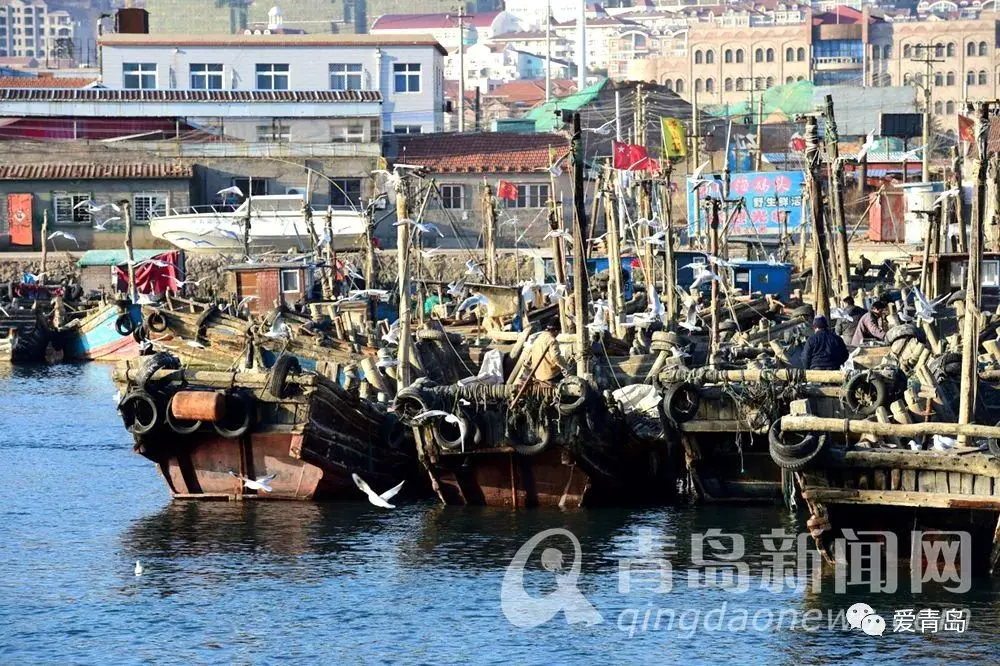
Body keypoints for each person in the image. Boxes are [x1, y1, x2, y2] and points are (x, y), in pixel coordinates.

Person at [528, 319, 569, 385]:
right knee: (568, 378)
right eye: (558, 332)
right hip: (549, 375)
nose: (557, 335)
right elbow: (556, 357)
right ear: (556, 331)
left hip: (537, 374)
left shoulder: (539, 337)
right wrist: (565, 367)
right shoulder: (552, 340)